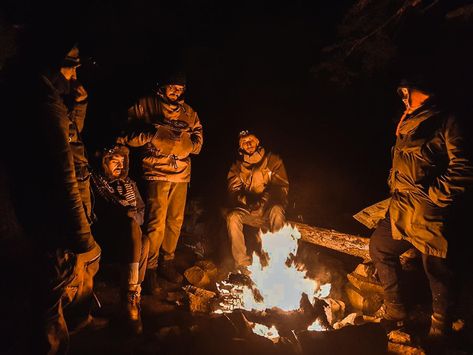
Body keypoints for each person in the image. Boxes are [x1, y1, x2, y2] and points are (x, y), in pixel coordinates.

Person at [0, 31, 103, 354]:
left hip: (39, 212)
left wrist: (78, 106)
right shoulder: (43, 103)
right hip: (48, 216)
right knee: (51, 285)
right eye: (70, 64)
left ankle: (71, 325)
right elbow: (63, 173)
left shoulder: (41, 95)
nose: (75, 73)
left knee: (56, 282)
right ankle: (49, 344)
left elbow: (70, 139)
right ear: (49, 62)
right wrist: (82, 234)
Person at [354, 77, 473, 340]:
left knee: (436, 269)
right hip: (400, 207)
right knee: (380, 247)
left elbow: (463, 167)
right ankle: (396, 309)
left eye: (407, 92)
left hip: (428, 211)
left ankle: (439, 327)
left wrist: (435, 195)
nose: (404, 98)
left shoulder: (446, 120)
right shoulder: (408, 122)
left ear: (423, 90)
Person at [119, 71, 203, 291]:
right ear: (161, 87)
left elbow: (198, 138)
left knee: (175, 219)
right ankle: (151, 268)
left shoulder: (188, 112)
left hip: (182, 172)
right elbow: (128, 133)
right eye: (172, 87)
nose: (176, 91)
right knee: (157, 220)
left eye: (180, 88)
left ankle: (167, 261)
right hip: (156, 170)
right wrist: (150, 133)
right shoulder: (146, 105)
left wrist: (190, 145)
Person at [91, 145, 149, 335]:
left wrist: (132, 217)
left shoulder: (130, 184)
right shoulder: (98, 183)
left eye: (122, 161)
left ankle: (132, 295)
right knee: (132, 227)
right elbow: (98, 212)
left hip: (130, 234)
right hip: (108, 236)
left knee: (145, 240)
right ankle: (129, 299)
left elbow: (141, 210)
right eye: (115, 161)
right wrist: (123, 216)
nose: (120, 165)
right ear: (105, 162)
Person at [225, 130, 289, 274]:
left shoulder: (273, 161)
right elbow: (233, 191)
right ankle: (242, 264)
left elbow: (281, 187)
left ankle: (277, 261)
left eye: (251, 140)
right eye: (244, 142)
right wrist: (248, 201)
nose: (248, 144)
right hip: (247, 207)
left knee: (278, 212)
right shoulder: (237, 167)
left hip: (269, 207)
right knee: (232, 217)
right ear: (240, 147)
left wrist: (264, 202)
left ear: (258, 141)